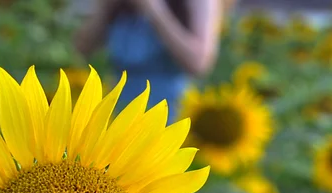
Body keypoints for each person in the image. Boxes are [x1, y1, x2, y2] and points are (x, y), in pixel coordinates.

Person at [75, 0, 225, 119]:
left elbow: (199, 63)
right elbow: (82, 48)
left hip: (170, 111)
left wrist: (154, 9)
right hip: (120, 110)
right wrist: (105, 9)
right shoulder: (122, 5)